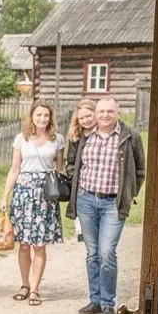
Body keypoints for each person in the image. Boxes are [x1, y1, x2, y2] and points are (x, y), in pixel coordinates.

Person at [67, 93, 145, 314]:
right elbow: (73, 164)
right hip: (86, 200)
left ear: (118, 113)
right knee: (92, 253)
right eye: (101, 111)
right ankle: (96, 301)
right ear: (96, 114)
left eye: (110, 111)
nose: (105, 115)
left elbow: (140, 170)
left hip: (113, 203)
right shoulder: (84, 137)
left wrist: (130, 194)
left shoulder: (130, 137)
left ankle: (109, 303)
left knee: (106, 253)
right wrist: (76, 183)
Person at [0, 100, 65, 307]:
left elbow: (60, 168)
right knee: (24, 245)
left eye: (46, 115)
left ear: (50, 118)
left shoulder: (57, 139)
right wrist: (4, 196)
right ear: (32, 117)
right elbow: (14, 169)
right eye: (39, 115)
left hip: (45, 195)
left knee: (40, 245)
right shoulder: (21, 138)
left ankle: (35, 289)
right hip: (24, 193)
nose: (42, 119)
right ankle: (24, 284)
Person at [65, 97, 97, 241]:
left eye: (89, 116)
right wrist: (76, 177)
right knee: (88, 237)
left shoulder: (104, 134)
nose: (86, 120)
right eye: (82, 118)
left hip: (102, 187)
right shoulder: (76, 137)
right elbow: (70, 162)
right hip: (83, 187)